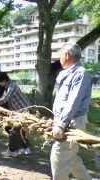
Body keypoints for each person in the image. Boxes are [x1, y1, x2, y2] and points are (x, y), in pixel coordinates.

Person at [50, 44, 92, 180]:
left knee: (58, 159)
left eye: (60, 55)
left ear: (67, 55)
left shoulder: (81, 73)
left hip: (72, 122)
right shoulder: (65, 74)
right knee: (72, 158)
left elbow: (73, 101)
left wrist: (61, 124)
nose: (59, 59)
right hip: (63, 120)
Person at [0, 72, 31, 157]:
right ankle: (25, 148)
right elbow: (3, 97)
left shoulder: (12, 86)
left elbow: (6, 98)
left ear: (4, 80)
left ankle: (12, 151)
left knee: (14, 131)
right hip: (17, 112)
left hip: (23, 111)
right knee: (18, 131)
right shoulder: (7, 87)